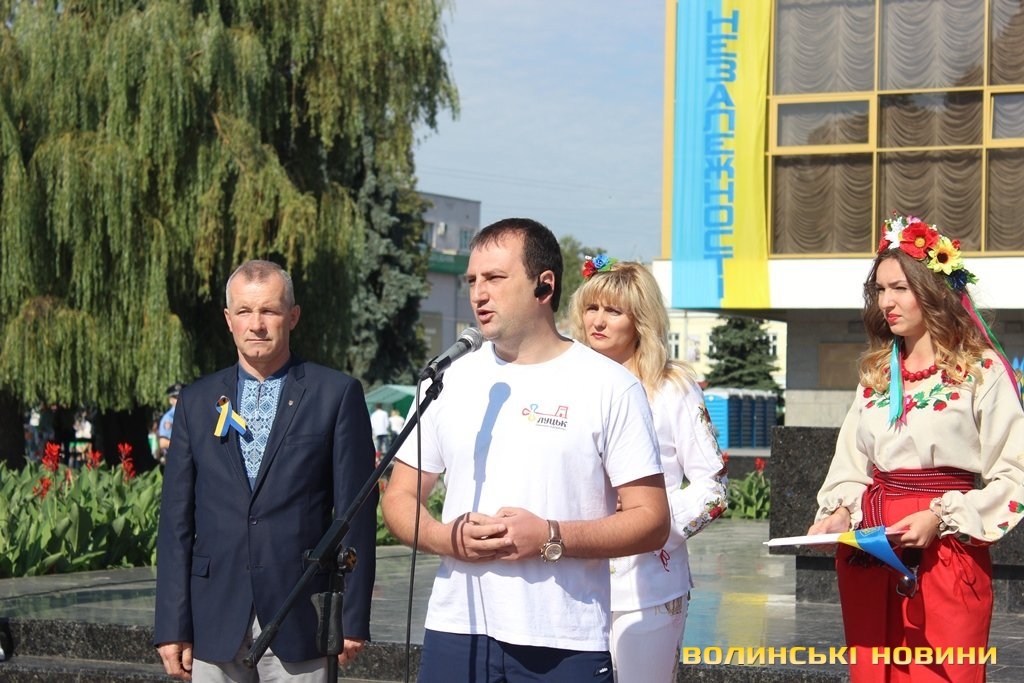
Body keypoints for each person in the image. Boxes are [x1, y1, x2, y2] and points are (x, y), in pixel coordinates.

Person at [380, 218, 670, 683]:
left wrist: (551, 537)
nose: (479, 294)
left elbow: (651, 520)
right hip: (456, 629)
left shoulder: (610, 386)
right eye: (472, 280)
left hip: (565, 639)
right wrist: (444, 538)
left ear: (544, 285)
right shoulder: (447, 380)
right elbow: (399, 497)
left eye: (495, 278)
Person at [806, 213, 1024, 682]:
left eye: (899, 288)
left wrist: (940, 518)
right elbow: (850, 465)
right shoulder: (875, 375)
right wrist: (839, 513)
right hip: (872, 549)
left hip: (946, 549)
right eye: (880, 290)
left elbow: (1014, 473)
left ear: (933, 290)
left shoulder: (980, 370)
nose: (886, 301)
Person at [154, 259, 378, 682]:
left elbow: (357, 514)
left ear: (292, 316)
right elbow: (176, 522)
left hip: (302, 616)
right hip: (213, 617)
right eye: (244, 311)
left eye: (269, 311)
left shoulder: (335, 394)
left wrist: (352, 616)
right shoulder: (196, 401)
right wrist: (171, 625)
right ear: (229, 319)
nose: (256, 324)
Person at [568, 258, 728, 683]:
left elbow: (714, 488)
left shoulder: (672, 387)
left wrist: (651, 526)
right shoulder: (565, 384)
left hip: (649, 585)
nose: (598, 321)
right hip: (570, 581)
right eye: (591, 308)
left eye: (613, 311)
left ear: (640, 320)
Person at [157, 383, 182, 465]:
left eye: (182, 396)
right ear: (171, 400)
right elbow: (163, 442)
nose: (180, 399)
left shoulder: (190, 413)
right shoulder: (168, 418)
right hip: (178, 458)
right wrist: (183, 445)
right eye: (176, 397)